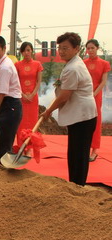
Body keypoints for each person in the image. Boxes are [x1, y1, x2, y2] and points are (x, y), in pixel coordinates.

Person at [41, 32, 97, 186]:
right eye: (60, 48)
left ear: (76, 48)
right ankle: (75, 184)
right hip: (80, 115)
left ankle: (78, 186)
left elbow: (65, 96)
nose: (61, 51)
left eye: (65, 48)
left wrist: (48, 111)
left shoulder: (73, 68)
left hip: (83, 117)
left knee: (78, 155)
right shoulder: (72, 64)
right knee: (74, 154)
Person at [0, 35, 22, 161]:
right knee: (0, 137)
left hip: (11, 105)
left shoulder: (5, 67)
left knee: (5, 141)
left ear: (4, 48)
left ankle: (4, 170)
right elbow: (0, 87)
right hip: (6, 103)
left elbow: (2, 93)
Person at [83, 39, 110, 162]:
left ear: (97, 48)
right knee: (84, 121)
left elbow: (103, 81)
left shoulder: (104, 63)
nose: (90, 51)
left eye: (92, 48)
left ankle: (94, 149)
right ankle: (84, 147)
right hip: (84, 95)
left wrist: (94, 93)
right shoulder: (83, 63)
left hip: (96, 95)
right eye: (88, 48)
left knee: (96, 121)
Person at [14, 42, 43, 151]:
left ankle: (30, 147)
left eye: (28, 50)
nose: (26, 53)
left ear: (32, 51)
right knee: (20, 122)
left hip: (32, 98)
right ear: (21, 52)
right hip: (20, 97)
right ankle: (21, 146)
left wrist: (32, 94)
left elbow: (39, 81)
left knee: (32, 122)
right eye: (24, 50)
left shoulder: (37, 64)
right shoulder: (17, 65)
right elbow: (15, 81)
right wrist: (22, 94)